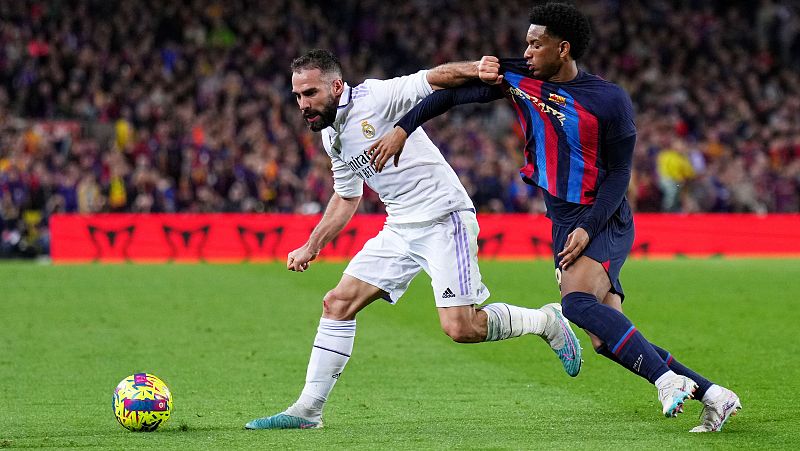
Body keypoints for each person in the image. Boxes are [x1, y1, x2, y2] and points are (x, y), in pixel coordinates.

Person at [367, 3, 741, 433]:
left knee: (576, 303)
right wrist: (404, 127)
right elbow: (452, 94)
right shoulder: (519, 78)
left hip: (603, 215)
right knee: (605, 338)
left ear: (562, 49)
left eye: (535, 43)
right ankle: (714, 394)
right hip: (563, 219)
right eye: (526, 42)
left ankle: (665, 381)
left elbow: (620, 172)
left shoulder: (609, 99)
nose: (525, 51)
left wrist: (587, 226)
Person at [244, 49, 582, 430]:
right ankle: (308, 410)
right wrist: (312, 245)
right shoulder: (330, 136)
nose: (303, 104)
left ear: (336, 86)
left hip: (442, 218)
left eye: (310, 93)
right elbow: (347, 195)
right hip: (400, 226)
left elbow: (432, 78)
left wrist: (476, 69)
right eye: (298, 96)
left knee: (461, 328)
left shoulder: (376, 97)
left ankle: (546, 322)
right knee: (337, 303)